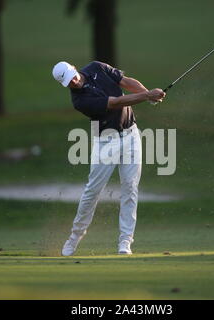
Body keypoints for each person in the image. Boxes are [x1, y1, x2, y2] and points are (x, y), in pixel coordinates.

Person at [52, 60, 165, 255]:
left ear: (74, 69)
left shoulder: (97, 67)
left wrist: (148, 94)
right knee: (92, 190)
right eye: (69, 83)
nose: (74, 83)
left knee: (130, 188)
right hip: (105, 141)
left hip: (131, 135)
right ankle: (75, 236)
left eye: (73, 77)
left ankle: (125, 241)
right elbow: (115, 102)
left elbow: (126, 82)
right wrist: (147, 95)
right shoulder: (79, 101)